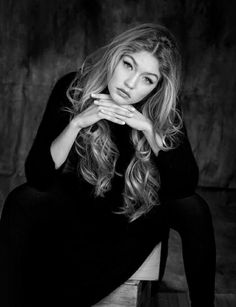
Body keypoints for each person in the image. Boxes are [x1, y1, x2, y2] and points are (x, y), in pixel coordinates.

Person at [0, 23, 216, 307]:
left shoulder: (161, 108)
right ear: (116, 56)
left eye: (147, 79)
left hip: (134, 216)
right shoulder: (74, 87)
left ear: (157, 86)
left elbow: (183, 186)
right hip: (81, 207)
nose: (130, 83)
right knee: (22, 198)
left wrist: (149, 130)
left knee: (193, 207)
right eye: (128, 65)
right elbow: (38, 176)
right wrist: (77, 123)